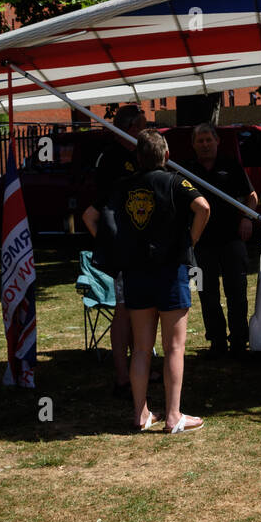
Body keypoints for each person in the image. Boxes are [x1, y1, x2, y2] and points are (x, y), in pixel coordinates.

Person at [101, 129, 209, 433]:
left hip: (136, 273)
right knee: (174, 347)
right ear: (167, 156)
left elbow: (98, 216)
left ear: (137, 158)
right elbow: (203, 206)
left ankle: (140, 414)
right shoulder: (175, 181)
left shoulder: (123, 186)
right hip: (170, 272)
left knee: (141, 349)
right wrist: (191, 239)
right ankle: (174, 415)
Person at [83, 104, 147, 397]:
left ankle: (140, 368)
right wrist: (110, 247)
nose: (147, 131)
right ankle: (123, 375)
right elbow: (94, 212)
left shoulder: (137, 154)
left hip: (138, 248)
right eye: (144, 126)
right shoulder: (112, 159)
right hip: (125, 249)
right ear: (131, 128)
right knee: (123, 312)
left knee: (136, 311)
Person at [185, 123, 257, 358]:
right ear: (193, 145)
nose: (205, 144)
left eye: (208, 140)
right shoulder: (185, 170)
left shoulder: (231, 166)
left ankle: (238, 340)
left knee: (237, 291)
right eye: (200, 141)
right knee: (206, 293)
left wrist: (247, 217)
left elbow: (252, 196)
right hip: (200, 244)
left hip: (231, 240)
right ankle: (216, 341)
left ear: (217, 141)